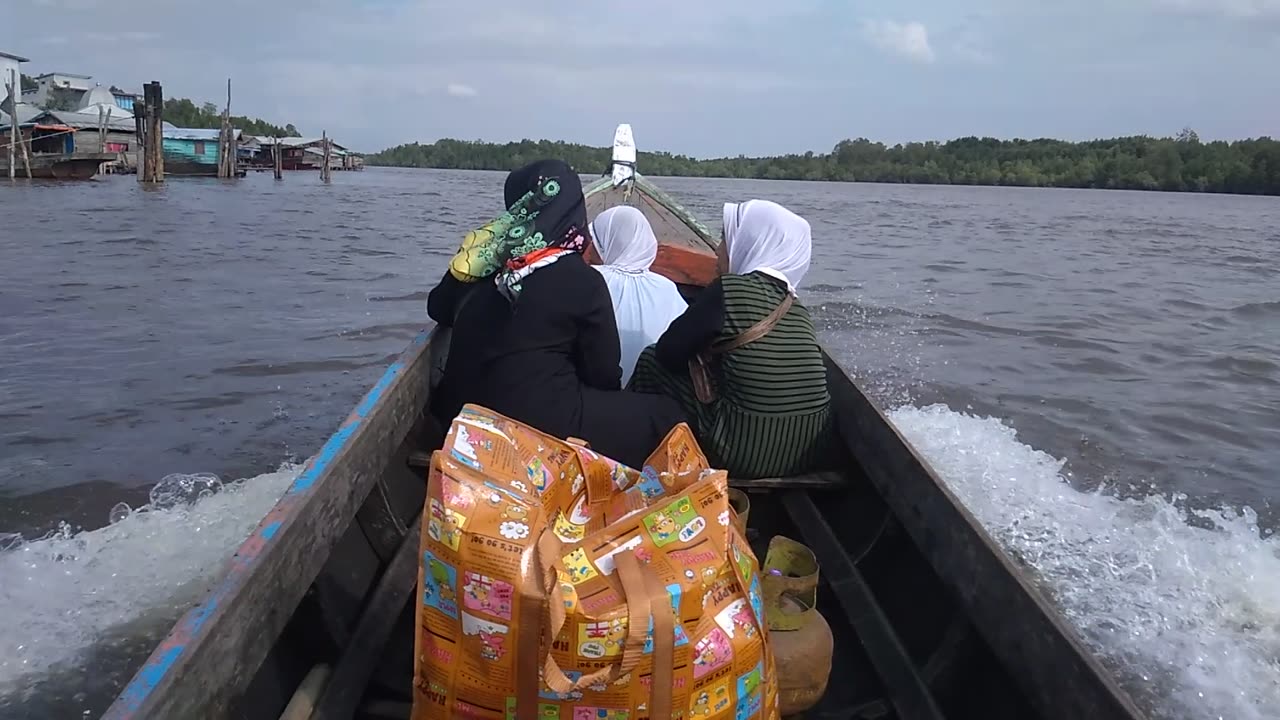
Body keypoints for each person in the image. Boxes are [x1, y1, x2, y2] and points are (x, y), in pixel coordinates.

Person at [426, 159, 686, 468]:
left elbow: (438, 308)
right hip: (538, 430)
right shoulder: (582, 280)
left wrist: (470, 260)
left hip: (458, 419)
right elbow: (602, 375)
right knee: (666, 414)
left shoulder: (481, 259)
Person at [628, 199, 831, 479]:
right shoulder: (795, 305)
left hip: (744, 453)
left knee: (650, 360)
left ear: (750, 243)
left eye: (725, 238)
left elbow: (668, 352)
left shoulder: (731, 288)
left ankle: (634, 461)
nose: (718, 248)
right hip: (807, 450)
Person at [588, 206, 689, 385]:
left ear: (607, 244)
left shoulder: (590, 279)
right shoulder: (667, 288)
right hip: (650, 391)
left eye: (594, 241)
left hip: (596, 391)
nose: (589, 249)